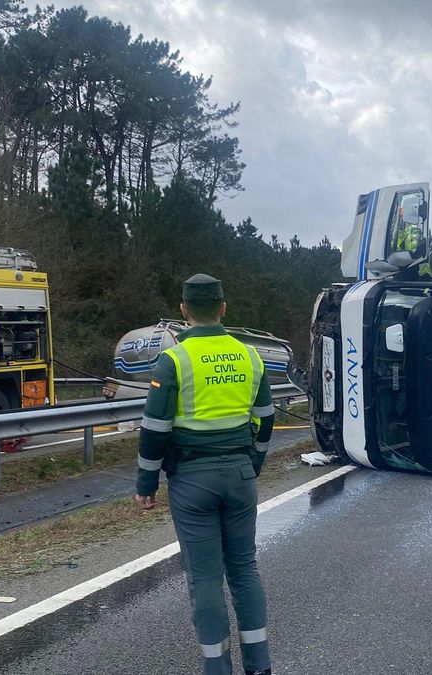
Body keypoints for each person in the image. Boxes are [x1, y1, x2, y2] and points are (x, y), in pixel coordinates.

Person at [136, 273, 275, 675]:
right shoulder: (250, 356)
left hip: (192, 480)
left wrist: (147, 483)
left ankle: (217, 668)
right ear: (223, 308)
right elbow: (265, 419)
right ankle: (260, 665)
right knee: (245, 569)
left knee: (206, 579)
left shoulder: (174, 359)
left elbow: (155, 429)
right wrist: (255, 464)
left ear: (183, 311)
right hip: (239, 474)